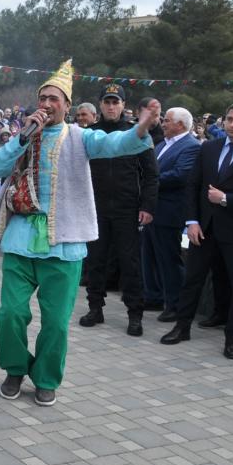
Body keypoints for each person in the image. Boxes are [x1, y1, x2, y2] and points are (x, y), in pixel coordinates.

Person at [0, 59, 159, 407]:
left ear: (67, 105)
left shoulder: (80, 137)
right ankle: (15, 369)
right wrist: (22, 137)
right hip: (19, 242)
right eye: (43, 98)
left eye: (54, 99)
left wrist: (141, 128)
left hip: (64, 245)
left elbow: (114, 145)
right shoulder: (24, 136)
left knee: (56, 323)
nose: (47, 104)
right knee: (10, 314)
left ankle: (46, 378)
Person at [160, 102, 233, 360]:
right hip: (203, 229)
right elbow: (193, 186)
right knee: (192, 279)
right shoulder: (209, 148)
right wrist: (192, 221)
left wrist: (227, 199)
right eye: (229, 119)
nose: (232, 124)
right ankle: (182, 327)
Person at [78, 84, 158, 337]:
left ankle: (135, 314)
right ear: (100, 105)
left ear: (124, 105)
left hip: (127, 208)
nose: (111, 107)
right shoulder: (89, 134)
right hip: (96, 208)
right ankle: (95, 308)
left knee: (130, 263)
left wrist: (147, 206)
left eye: (116, 102)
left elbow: (151, 175)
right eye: (107, 102)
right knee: (95, 261)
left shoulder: (136, 133)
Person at [141, 107, 199, 317]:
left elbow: (180, 175)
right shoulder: (162, 144)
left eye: (167, 120)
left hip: (169, 211)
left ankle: (175, 305)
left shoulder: (191, 146)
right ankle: (154, 297)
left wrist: (148, 181)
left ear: (180, 125)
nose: (163, 124)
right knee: (149, 256)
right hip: (152, 209)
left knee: (169, 260)